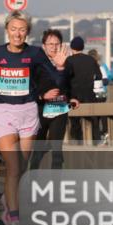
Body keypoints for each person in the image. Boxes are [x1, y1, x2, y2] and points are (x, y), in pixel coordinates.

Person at [0, 11, 61, 225]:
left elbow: (53, 75)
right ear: (7, 29)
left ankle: (8, 200)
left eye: (22, 29)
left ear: (28, 32)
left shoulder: (34, 53)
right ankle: (15, 221)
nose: (18, 33)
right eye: (14, 28)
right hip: (4, 114)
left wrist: (59, 72)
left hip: (28, 115)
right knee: (14, 167)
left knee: (22, 169)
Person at [33, 29, 75, 169]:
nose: (53, 47)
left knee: (57, 149)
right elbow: (29, 86)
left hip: (59, 109)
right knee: (38, 148)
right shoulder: (36, 64)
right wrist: (41, 95)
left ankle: (56, 182)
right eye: (50, 44)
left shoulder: (67, 64)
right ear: (44, 45)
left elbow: (70, 84)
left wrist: (74, 98)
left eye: (57, 43)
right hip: (40, 109)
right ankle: (32, 178)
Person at [63, 37, 103, 144]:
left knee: (75, 122)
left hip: (74, 96)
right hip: (89, 95)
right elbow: (99, 76)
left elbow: (64, 78)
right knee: (93, 121)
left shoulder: (69, 61)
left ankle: (78, 142)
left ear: (71, 47)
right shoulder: (91, 60)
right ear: (83, 47)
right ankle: (95, 141)